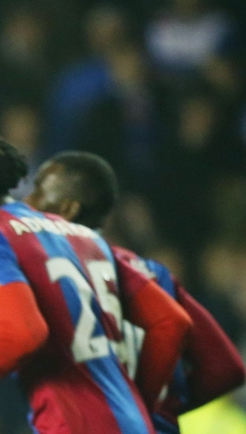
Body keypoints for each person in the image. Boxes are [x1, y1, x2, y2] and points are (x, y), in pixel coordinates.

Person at [0, 133, 192, 433]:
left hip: (74, 423)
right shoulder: (83, 235)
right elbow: (171, 320)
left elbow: (23, 331)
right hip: (133, 422)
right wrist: (143, 398)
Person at [25, 150, 246, 434]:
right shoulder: (154, 275)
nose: (27, 203)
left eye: (39, 191)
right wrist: (156, 408)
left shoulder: (49, 275)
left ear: (68, 209)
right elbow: (224, 368)